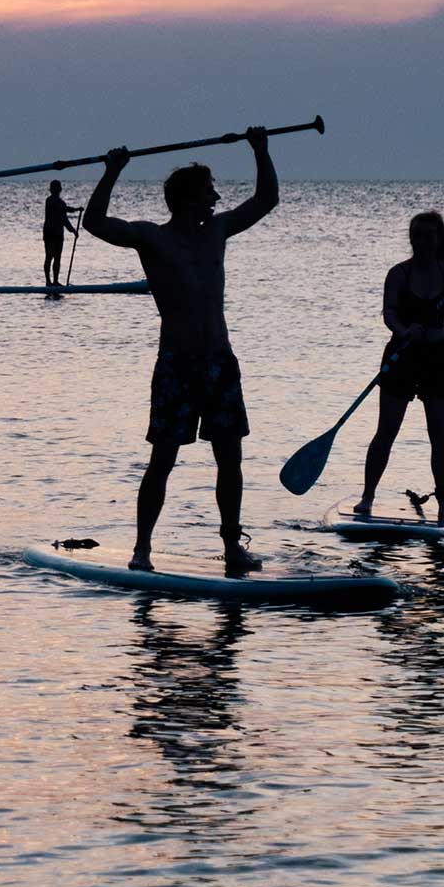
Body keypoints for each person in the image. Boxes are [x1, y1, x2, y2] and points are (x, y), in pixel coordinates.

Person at [83, 130, 276, 575]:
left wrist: (260, 151)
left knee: (230, 460)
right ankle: (142, 550)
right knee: (162, 460)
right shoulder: (153, 239)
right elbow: (96, 223)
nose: (216, 197)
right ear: (188, 198)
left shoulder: (219, 231)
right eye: (209, 191)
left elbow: (266, 199)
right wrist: (112, 172)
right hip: (176, 365)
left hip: (219, 362)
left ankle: (232, 547)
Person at [354, 212, 444, 524]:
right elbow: (389, 313)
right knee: (386, 431)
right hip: (401, 356)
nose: (421, 243)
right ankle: (367, 497)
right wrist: (404, 331)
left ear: (439, 240)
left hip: (438, 358)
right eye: (416, 236)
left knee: (439, 433)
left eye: (428, 237)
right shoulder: (398, 274)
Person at [42, 180, 80, 286]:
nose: (55, 191)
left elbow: (65, 220)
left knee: (58, 258)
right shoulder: (49, 201)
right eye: (53, 188)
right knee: (49, 256)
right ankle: (48, 281)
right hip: (50, 233)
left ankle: (55, 281)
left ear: (59, 190)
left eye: (57, 188)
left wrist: (73, 231)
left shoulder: (62, 203)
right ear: (51, 190)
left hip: (59, 234)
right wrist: (76, 209)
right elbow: (62, 209)